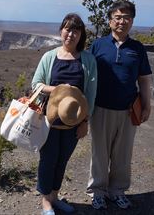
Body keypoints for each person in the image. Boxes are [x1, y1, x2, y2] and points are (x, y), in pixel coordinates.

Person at [86, 1, 152, 210]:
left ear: (132, 21)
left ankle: (117, 191)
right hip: (100, 109)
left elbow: (144, 79)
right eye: (117, 16)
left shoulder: (137, 48)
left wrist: (147, 104)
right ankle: (98, 191)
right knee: (99, 153)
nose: (122, 21)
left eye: (126, 17)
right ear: (110, 20)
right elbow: (87, 75)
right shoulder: (98, 45)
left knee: (123, 154)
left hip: (127, 109)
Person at [31, 13, 97, 215]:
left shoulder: (88, 60)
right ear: (61, 31)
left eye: (76, 30)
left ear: (81, 35)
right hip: (49, 122)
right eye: (68, 29)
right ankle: (45, 202)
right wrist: (59, 89)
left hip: (74, 123)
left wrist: (85, 121)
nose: (71, 34)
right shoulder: (49, 57)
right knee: (48, 159)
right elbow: (36, 85)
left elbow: (91, 94)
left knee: (62, 160)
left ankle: (55, 197)